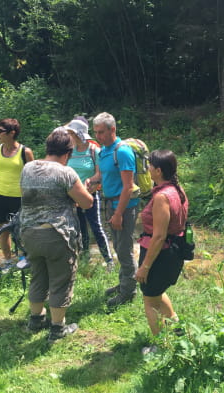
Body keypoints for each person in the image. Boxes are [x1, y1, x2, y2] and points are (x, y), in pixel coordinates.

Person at [20, 128, 93, 342]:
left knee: (38, 275)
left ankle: (35, 320)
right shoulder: (65, 172)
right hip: (57, 234)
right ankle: (57, 329)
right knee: (61, 280)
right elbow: (86, 202)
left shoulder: (28, 168)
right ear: (67, 153)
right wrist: (87, 188)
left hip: (29, 233)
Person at [134, 150, 188, 354]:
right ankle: (177, 329)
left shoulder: (162, 197)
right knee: (157, 293)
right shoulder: (177, 189)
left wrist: (144, 267)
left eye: (149, 166)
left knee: (149, 299)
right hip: (174, 251)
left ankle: (160, 346)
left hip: (160, 255)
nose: (147, 169)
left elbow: (158, 236)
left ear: (158, 170)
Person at [91, 112, 139, 306]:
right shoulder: (104, 150)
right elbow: (105, 175)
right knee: (118, 247)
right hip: (110, 204)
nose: (97, 136)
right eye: (95, 132)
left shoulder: (123, 152)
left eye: (101, 132)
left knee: (125, 249)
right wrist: (92, 181)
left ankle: (129, 292)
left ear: (113, 129)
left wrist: (119, 213)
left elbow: (129, 186)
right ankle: (124, 283)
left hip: (124, 207)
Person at [65, 116, 114, 271]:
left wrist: (88, 181)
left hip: (90, 194)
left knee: (96, 227)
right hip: (73, 196)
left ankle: (109, 260)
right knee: (80, 228)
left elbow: (100, 174)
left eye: (72, 134)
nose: (70, 136)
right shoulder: (68, 152)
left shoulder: (94, 150)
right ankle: (85, 258)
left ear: (79, 134)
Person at [0, 118, 34, 266]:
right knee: (3, 231)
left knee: (21, 231)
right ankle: (8, 261)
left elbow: (31, 177)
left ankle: (24, 260)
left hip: (18, 197)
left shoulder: (25, 152)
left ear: (12, 133)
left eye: (0, 131)